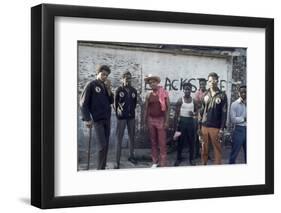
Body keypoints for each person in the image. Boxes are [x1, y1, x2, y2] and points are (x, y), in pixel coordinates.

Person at [80, 65, 113, 170]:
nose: (104, 77)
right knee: (102, 146)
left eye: (106, 75)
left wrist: (109, 89)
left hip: (107, 119)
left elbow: (111, 101)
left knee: (106, 146)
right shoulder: (91, 85)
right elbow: (83, 103)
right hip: (97, 120)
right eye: (103, 74)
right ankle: (99, 169)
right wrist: (87, 119)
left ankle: (102, 168)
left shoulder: (105, 86)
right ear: (97, 73)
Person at [198, 72, 228, 165]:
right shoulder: (205, 94)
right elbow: (201, 111)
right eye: (210, 81)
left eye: (214, 80)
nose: (212, 82)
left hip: (216, 127)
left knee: (217, 149)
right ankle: (204, 164)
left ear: (217, 81)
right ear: (208, 82)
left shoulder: (222, 95)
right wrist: (199, 127)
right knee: (204, 149)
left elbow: (224, 114)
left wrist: (222, 129)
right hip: (204, 127)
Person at [144, 74, 170, 168]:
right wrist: (145, 120)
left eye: (154, 82)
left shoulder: (163, 92)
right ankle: (155, 161)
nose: (152, 84)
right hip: (151, 120)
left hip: (161, 120)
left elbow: (168, 107)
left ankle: (163, 162)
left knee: (162, 142)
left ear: (157, 82)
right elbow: (146, 108)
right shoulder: (148, 94)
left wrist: (167, 121)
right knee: (153, 142)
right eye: (150, 83)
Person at [114, 71, 138, 169]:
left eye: (129, 78)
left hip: (131, 117)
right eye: (126, 78)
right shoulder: (119, 90)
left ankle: (131, 156)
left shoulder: (134, 90)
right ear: (122, 79)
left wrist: (130, 111)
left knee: (131, 137)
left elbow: (135, 103)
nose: (128, 79)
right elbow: (115, 104)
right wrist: (118, 113)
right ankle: (117, 161)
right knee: (119, 139)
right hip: (121, 118)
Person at [174, 82, 198, 166]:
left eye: (188, 89)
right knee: (180, 141)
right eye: (185, 89)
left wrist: (194, 114)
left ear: (191, 90)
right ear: (183, 90)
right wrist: (176, 126)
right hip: (182, 123)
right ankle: (178, 158)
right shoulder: (180, 100)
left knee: (191, 142)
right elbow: (176, 113)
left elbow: (197, 112)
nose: (187, 91)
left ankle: (192, 159)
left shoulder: (194, 101)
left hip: (190, 123)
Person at [229, 85, 247, 164]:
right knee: (234, 154)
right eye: (242, 92)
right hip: (239, 130)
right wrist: (244, 119)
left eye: (245, 92)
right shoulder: (234, 104)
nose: (244, 94)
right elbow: (233, 119)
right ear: (238, 93)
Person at [193, 78, 207, 159]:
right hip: (199, 115)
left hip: (207, 116)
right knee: (197, 134)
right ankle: (196, 153)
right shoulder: (197, 93)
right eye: (201, 84)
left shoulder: (208, 92)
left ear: (205, 84)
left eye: (203, 84)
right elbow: (196, 104)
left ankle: (205, 153)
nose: (202, 85)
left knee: (205, 135)